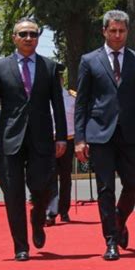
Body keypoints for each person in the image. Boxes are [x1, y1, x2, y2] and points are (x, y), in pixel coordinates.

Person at [0, 18, 67, 261]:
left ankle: (38, 220)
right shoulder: (0, 67)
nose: (29, 38)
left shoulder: (49, 67)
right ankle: (21, 246)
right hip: (10, 139)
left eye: (33, 34)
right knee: (14, 193)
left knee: (42, 188)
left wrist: (61, 137)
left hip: (41, 138)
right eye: (24, 34)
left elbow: (57, 105)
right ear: (14, 38)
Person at [74, 10, 135, 261]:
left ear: (127, 32)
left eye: (122, 31)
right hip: (100, 134)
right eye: (113, 31)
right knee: (105, 188)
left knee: (133, 184)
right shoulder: (89, 60)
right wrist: (79, 138)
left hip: (130, 134)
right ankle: (111, 240)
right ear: (104, 31)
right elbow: (82, 103)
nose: (117, 35)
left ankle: (118, 219)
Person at [45, 63, 76, 225]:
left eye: (58, 78)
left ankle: (64, 210)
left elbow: (79, 121)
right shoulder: (43, 97)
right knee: (49, 178)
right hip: (49, 141)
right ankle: (51, 211)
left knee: (65, 178)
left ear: (62, 79)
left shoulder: (72, 98)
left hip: (69, 140)